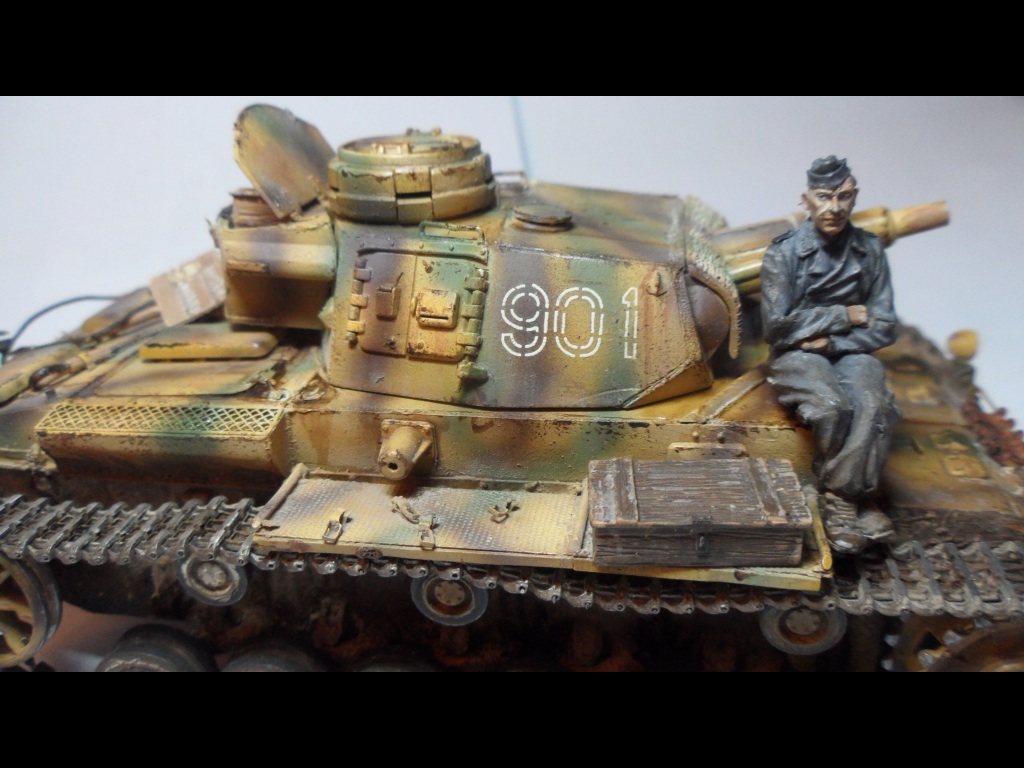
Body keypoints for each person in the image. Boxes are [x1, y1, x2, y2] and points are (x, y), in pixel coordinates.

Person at [760, 156, 900, 551]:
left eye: (844, 196)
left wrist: (832, 341)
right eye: (824, 197)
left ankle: (841, 498)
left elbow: (885, 324)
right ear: (806, 199)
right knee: (830, 407)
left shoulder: (869, 250)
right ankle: (851, 499)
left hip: (848, 348)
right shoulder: (784, 253)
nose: (834, 207)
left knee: (874, 404)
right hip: (795, 354)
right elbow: (777, 327)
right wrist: (844, 315)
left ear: (854, 198)